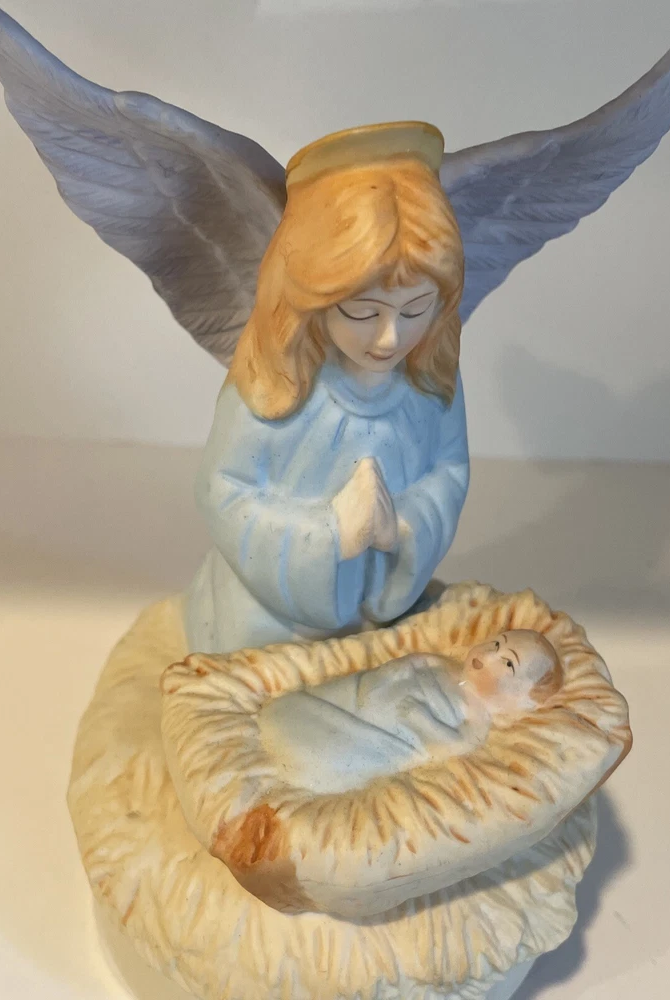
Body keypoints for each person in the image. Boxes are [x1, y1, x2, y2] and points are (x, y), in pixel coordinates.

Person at [186, 124, 469, 654]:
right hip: (275, 615)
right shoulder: (275, 387)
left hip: (385, 603)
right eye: (363, 312)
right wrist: (332, 531)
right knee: (261, 677)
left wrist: (402, 525)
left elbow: (449, 470)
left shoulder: (428, 384)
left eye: (415, 310)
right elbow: (222, 491)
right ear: (310, 298)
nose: (390, 338)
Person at [257, 630, 563, 793]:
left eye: (507, 663)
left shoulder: (478, 716)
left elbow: (455, 745)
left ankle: (305, 760)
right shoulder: (447, 665)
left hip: (385, 735)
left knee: (333, 756)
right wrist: (397, 669)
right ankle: (288, 720)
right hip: (365, 693)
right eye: (496, 643)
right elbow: (418, 660)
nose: (489, 654)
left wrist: (422, 719)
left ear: (522, 699)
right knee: (316, 704)